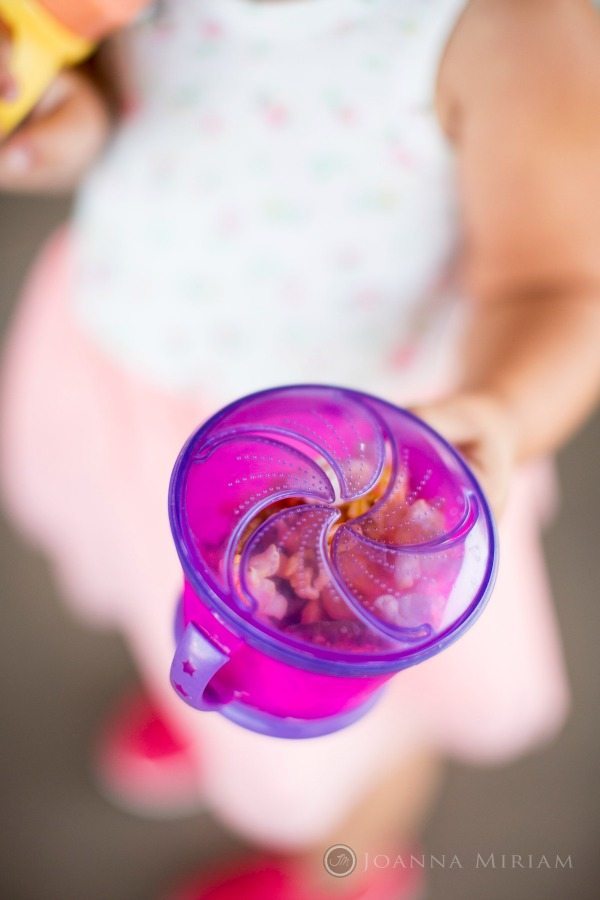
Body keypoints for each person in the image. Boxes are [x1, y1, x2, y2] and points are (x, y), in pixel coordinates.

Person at [1, 1, 599, 897]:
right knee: (170, 593)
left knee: (360, 733)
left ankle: (351, 861)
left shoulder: (513, 26)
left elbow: (560, 285)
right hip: (130, 372)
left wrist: (505, 408)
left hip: (372, 484)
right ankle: (205, 697)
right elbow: (120, 101)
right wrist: (62, 124)